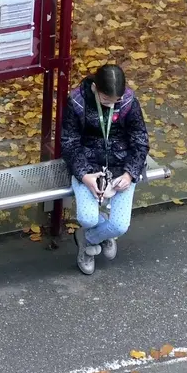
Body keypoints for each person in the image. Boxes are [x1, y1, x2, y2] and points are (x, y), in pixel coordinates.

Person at [60, 63, 150, 275]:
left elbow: (140, 141)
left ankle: (87, 241)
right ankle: (99, 234)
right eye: (106, 100)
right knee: (87, 218)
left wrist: (129, 173)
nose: (111, 105)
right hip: (89, 167)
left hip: (121, 167)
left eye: (115, 101)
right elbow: (70, 143)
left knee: (119, 226)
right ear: (95, 88)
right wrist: (84, 175)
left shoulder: (128, 101)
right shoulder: (77, 102)